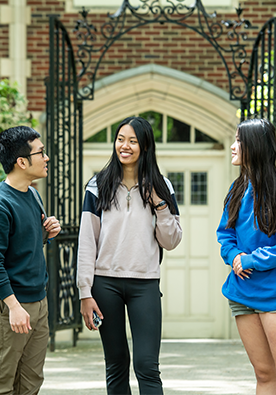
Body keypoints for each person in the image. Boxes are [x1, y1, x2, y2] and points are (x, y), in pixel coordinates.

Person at [77, 116, 183, 395]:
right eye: (121, 139)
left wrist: (159, 204)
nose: (125, 146)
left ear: (145, 146)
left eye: (133, 141)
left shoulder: (164, 187)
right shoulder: (97, 186)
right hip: (104, 285)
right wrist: (84, 293)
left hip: (145, 284)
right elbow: (87, 241)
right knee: (116, 363)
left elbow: (171, 241)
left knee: (147, 365)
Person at [217, 118, 276, 395]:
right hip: (244, 292)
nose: (233, 147)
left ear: (255, 146)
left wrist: (251, 260)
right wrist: (234, 254)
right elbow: (225, 234)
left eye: (239, 141)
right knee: (263, 374)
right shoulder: (237, 190)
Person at [0, 125, 61, 395]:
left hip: (37, 301)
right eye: (41, 152)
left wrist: (47, 233)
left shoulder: (33, 195)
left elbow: (23, 247)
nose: (46, 158)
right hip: (8, 304)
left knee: (30, 383)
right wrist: (13, 307)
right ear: (22, 161)